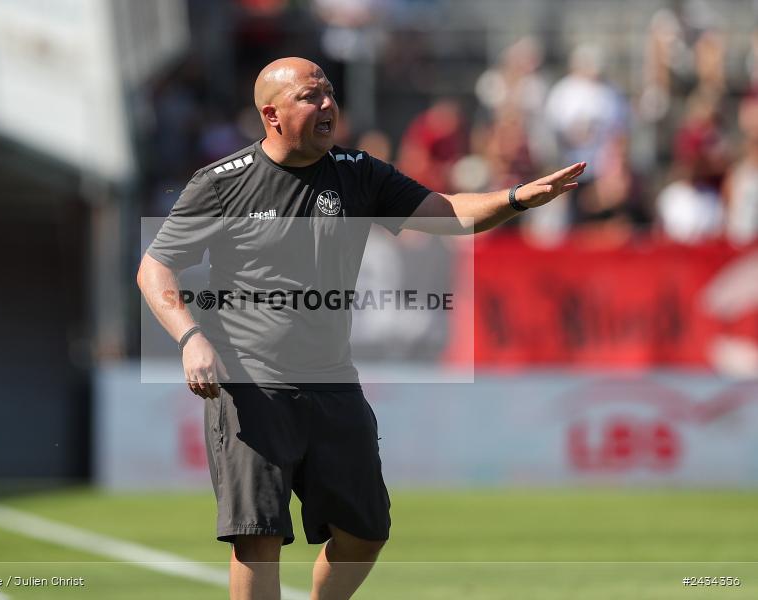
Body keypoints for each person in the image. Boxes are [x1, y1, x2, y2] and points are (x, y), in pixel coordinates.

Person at [137, 57, 585, 600]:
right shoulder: (221, 184)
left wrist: (515, 199)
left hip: (331, 380)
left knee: (366, 531)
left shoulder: (359, 171)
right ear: (271, 115)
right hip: (249, 382)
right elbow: (155, 267)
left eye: (329, 93)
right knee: (259, 537)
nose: (327, 105)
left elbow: (444, 213)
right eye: (310, 97)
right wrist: (191, 337)